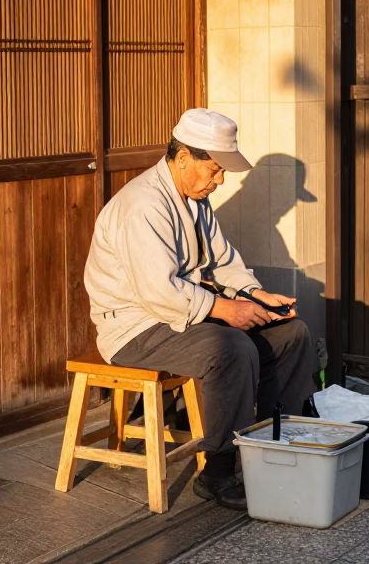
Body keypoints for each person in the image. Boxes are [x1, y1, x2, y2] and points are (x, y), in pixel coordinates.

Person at [83, 108, 319, 508]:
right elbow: (158, 292)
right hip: (134, 328)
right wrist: (228, 310)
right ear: (182, 158)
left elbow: (223, 261)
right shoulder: (143, 205)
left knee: (291, 333)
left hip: (180, 316)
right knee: (231, 349)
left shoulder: (194, 198)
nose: (220, 180)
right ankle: (218, 469)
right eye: (214, 170)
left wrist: (255, 296)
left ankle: (278, 446)